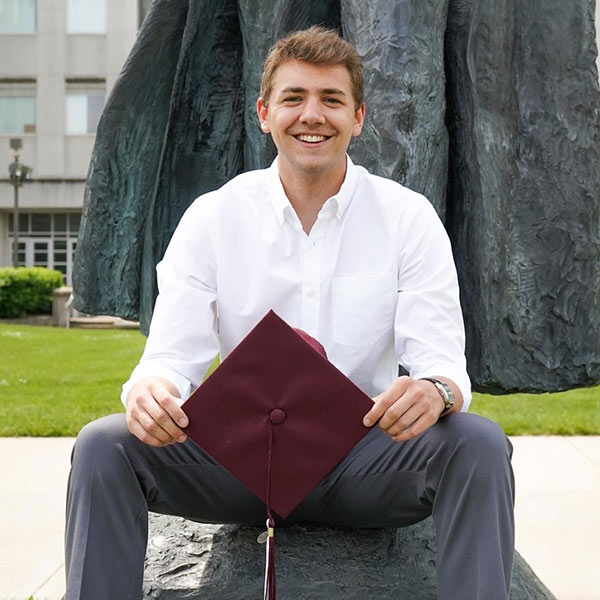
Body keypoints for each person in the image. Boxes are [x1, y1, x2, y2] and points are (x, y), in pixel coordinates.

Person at [65, 26, 514, 600]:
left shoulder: (408, 218)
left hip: (364, 461)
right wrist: (151, 392)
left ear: (357, 117)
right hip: (238, 463)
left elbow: (442, 359)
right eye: (294, 98)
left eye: (331, 100)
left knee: (478, 445)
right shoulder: (213, 217)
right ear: (264, 112)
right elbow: (172, 358)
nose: (312, 115)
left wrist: (436, 391)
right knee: (105, 446)